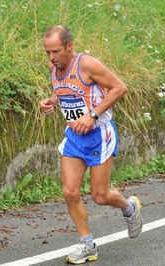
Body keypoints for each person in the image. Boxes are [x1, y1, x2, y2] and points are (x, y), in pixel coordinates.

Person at [39, 25, 144, 264]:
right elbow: (62, 90)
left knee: (100, 195)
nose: (52, 57)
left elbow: (120, 88)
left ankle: (129, 208)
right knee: (69, 191)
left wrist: (92, 115)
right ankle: (87, 245)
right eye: (47, 52)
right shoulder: (53, 67)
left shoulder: (87, 65)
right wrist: (52, 101)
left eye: (55, 51)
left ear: (70, 46)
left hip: (100, 134)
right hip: (75, 137)